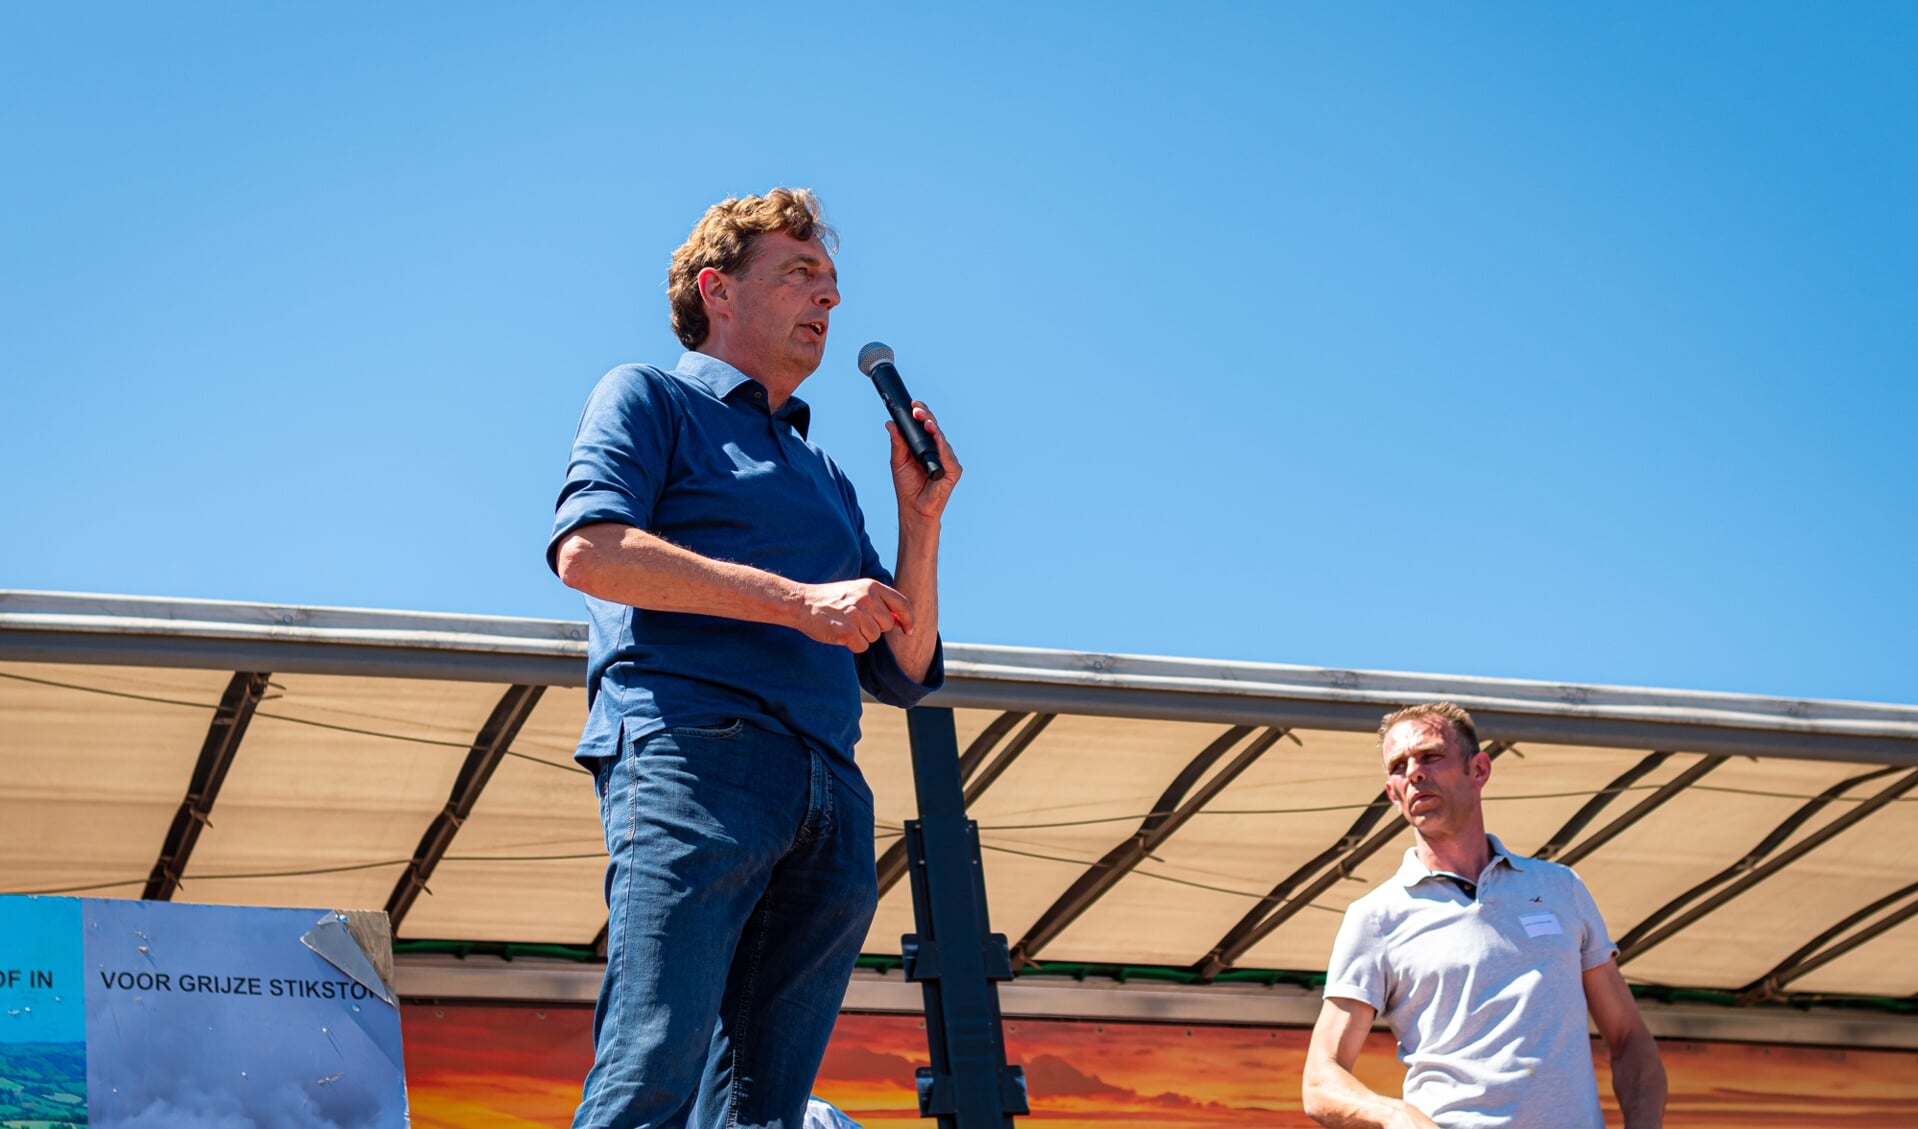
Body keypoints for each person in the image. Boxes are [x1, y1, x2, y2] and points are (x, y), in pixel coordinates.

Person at [547, 188, 959, 1129]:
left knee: (761, 1112)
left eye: (833, 282)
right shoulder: (649, 396)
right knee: (652, 1067)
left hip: (830, 790)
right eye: (801, 274)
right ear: (717, 289)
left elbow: (901, 665)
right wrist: (798, 600)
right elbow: (591, 552)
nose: (829, 299)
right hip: (698, 760)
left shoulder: (826, 476)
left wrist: (919, 520)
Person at [1301, 703, 1667, 1129]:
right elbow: (1320, 1081)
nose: (1414, 772)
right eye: (1399, 766)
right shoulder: (1376, 917)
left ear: (1479, 770)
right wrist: (1397, 1116)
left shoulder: (1560, 888)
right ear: (1392, 793)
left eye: (1430, 756)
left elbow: (1629, 1039)